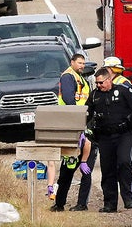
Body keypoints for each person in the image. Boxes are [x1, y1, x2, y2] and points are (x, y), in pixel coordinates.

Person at [86, 68, 132, 213]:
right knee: (108, 169)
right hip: (104, 136)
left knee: (124, 162)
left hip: (123, 134)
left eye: (101, 82)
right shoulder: (94, 95)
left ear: (109, 80)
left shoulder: (123, 91)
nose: (99, 85)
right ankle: (110, 204)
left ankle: (128, 198)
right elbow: (86, 114)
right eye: (97, 83)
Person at [50, 53, 98, 212]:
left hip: (83, 125)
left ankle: (81, 204)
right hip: (72, 126)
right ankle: (59, 203)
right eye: (79, 63)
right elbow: (70, 100)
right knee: (67, 169)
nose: (82, 66)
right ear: (72, 62)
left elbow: (87, 102)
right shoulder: (68, 77)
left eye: (84, 63)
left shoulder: (80, 77)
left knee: (85, 169)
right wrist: (78, 123)